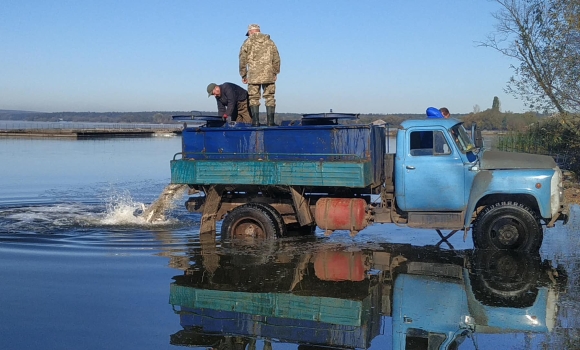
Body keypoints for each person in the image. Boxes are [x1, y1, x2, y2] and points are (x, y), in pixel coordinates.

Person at [239, 24, 281, 126]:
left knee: (253, 98)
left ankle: (256, 122)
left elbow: (242, 60)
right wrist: (275, 72)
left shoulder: (247, 43)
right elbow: (277, 58)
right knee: (270, 97)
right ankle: (270, 122)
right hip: (268, 74)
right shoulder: (270, 42)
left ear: (250, 32)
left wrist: (243, 75)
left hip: (253, 75)